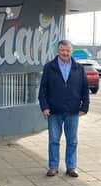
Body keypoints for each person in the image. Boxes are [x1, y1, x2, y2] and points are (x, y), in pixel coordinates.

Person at [38, 40, 89, 177]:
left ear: (71, 51)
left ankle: (71, 167)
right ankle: (53, 166)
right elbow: (43, 89)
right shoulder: (50, 67)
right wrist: (44, 107)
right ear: (58, 51)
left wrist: (85, 106)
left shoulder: (79, 68)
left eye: (67, 50)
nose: (65, 53)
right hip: (54, 110)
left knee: (72, 140)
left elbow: (85, 89)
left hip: (73, 110)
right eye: (62, 50)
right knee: (54, 140)